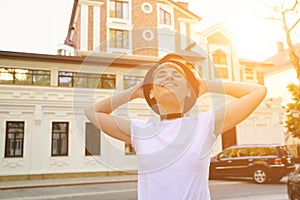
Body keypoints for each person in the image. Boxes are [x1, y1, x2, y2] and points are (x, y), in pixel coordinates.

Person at [84, 54, 267, 200]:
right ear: (152, 93)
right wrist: (133, 93)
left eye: (177, 74)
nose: (169, 75)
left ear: (188, 90)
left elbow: (257, 91)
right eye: (161, 74)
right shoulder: (140, 131)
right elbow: (93, 112)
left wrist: (205, 85)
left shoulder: (205, 123)